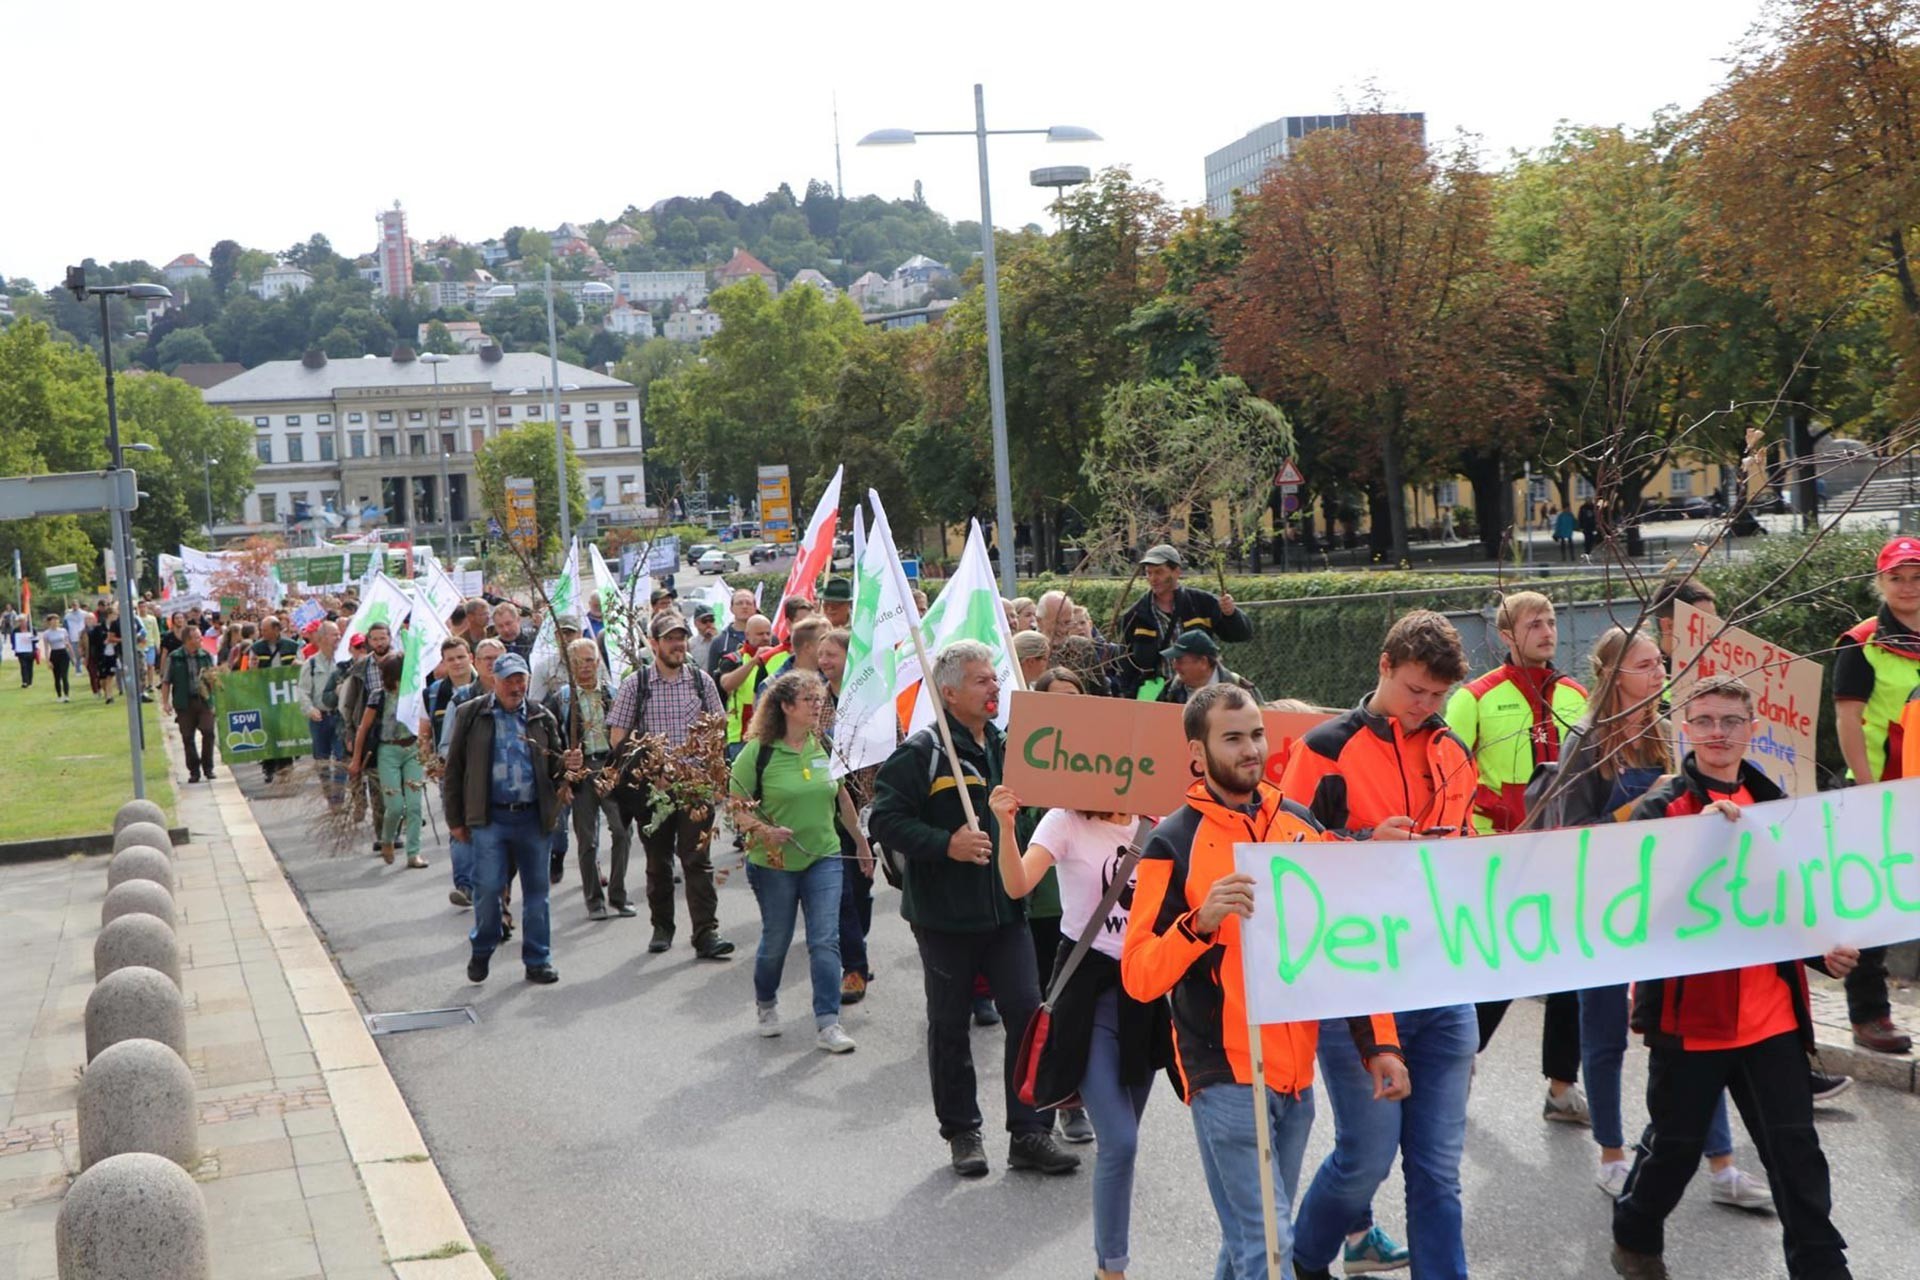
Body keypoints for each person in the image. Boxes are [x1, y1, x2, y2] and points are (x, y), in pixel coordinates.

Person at [1122, 684, 1408, 1280]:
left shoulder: (1302, 828)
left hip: (1293, 1078)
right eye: (1233, 737)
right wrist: (1198, 924)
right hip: (1222, 1073)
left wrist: (1378, 1043)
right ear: (1197, 754)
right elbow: (1139, 976)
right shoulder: (1170, 843)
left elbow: (1343, 948)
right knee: (1271, 1246)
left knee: (1248, 1241)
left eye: (1256, 734)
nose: (1251, 748)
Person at [1610, 674, 1862, 1280]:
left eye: (1730, 721)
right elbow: (1637, 913)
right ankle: (1635, 1230)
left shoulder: (1776, 804)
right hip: (1691, 1021)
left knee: (1795, 1153)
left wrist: (1822, 950)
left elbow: (1784, 906)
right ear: (1685, 730)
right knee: (1674, 1149)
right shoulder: (1661, 811)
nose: (1718, 734)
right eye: (1705, 722)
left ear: (1753, 730)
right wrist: (1704, 845)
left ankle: (1823, 1268)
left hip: (1771, 1017)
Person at [1282, 609, 1478, 1280]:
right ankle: (1305, 1260)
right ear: (1384, 667)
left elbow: (1465, 854)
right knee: (1366, 1156)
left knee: (1436, 1169)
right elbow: (1284, 862)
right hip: (1355, 987)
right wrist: (1365, 844)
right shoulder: (1323, 749)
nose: (1425, 707)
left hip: (1442, 979)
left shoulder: (1455, 753)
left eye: (1438, 696)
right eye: (1415, 691)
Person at [868, 640, 1081, 1179]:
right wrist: (947, 844)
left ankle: (1029, 1132)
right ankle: (962, 1132)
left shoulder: (1011, 748)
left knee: (1028, 1016)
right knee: (948, 1026)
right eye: (983, 681)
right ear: (950, 692)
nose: (995, 689)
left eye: (995, 679)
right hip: (944, 919)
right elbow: (884, 822)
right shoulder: (921, 754)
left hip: (1007, 913)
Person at [991, 776, 1171, 1279]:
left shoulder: (1158, 823)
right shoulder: (1064, 821)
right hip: (1086, 995)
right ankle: (1111, 1268)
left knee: (1125, 1138)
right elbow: (1017, 884)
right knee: (1121, 1142)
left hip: (1145, 994)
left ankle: (1107, 1261)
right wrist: (1005, 827)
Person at [1443, 591, 1590, 1121]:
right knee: (1502, 967)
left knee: (1570, 973)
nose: (1547, 631)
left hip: (1562, 854)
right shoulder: (1474, 698)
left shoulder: (1576, 695)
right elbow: (1448, 776)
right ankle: (1459, 1061)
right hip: (1497, 854)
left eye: (1551, 621)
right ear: (1507, 636)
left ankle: (1561, 1088)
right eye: (1534, 624)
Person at [730, 669, 870, 1053]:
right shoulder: (757, 754)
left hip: (824, 855)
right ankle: (766, 1003)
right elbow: (735, 810)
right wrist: (763, 831)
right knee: (776, 940)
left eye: (819, 700)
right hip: (774, 862)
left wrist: (860, 842)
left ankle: (828, 1023)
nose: (817, 706)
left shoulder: (822, 744)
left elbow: (842, 798)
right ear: (786, 706)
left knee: (825, 939)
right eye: (809, 700)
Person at [1830, 534, 1920, 1055]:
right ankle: (1870, 1016)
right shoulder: (1861, 642)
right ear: (1880, 582)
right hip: (1879, 790)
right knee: (1873, 907)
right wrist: (1867, 791)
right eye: (1896, 577)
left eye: (1915, 576)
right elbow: (1846, 721)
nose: (1907, 587)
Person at [444, 652, 579, 985]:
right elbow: (454, 770)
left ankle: (538, 959)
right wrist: (455, 819)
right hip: (490, 819)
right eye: (509, 680)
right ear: (494, 680)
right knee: (488, 889)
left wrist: (570, 763)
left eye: (521, 679)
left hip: (533, 818)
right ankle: (483, 945)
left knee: (537, 894)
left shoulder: (541, 717)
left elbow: (555, 766)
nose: (516, 687)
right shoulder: (471, 714)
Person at [609, 611, 735, 959]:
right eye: (669, 638)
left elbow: (719, 729)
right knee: (658, 863)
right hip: (654, 791)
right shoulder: (637, 684)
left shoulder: (701, 681)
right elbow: (618, 736)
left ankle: (706, 933)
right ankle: (662, 926)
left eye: (681, 637)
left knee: (697, 861)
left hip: (695, 787)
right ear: (654, 645)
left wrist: (713, 773)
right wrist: (650, 769)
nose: (678, 644)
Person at [548, 637, 633, 921]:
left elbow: (627, 732)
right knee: (587, 838)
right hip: (581, 772)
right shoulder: (561, 698)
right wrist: (563, 774)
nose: (584, 667)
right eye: (577, 662)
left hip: (609, 767)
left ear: (598, 662)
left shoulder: (613, 693)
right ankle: (594, 900)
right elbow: (553, 739)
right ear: (569, 667)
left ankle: (618, 895)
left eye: (589, 660)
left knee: (622, 830)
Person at [816, 628, 878, 1004]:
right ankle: (853, 966)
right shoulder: (816, 702)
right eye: (821, 655)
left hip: (869, 802)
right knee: (844, 893)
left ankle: (858, 947)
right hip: (829, 805)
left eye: (832, 655)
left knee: (862, 888)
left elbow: (898, 744)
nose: (824, 662)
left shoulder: (873, 701)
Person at [1117, 544, 1252, 698]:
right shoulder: (1135, 615)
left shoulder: (1203, 603)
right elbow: (1125, 665)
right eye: (1149, 573)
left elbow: (1241, 635)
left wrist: (1231, 614)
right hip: (1157, 692)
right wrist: (1128, 697)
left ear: (1176, 572)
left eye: (1159, 572)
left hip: (1201, 689)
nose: (1153, 579)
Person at [349, 651, 427, 869]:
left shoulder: (416, 693)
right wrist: (356, 760)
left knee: (413, 805)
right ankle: (387, 839)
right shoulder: (379, 695)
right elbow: (363, 729)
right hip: (388, 752)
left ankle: (414, 853)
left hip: (412, 750)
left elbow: (424, 723)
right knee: (394, 806)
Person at [717, 613, 786, 763]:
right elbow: (726, 684)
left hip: (773, 731)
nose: (765, 638)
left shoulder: (780, 657)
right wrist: (754, 661)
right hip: (741, 735)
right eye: (760, 634)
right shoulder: (734, 659)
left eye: (768, 633)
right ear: (747, 634)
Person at [296, 621, 348, 808]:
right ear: (322, 638)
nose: (338, 638)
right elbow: (302, 691)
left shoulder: (343, 662)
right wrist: (310, 709)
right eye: (334, 635)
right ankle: (329, 794)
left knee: (342, 758)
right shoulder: (310, 664)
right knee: (322, 760)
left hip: (340, 717)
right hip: (320, 719)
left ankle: (338, 798)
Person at [250, 616, 302, 781]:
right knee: (269, 729)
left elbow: (304, 664)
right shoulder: (256, 648)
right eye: (261, 630)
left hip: (286, 695)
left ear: (276, 629)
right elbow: (246, 670)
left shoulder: (292, 646)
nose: (262, 633)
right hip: (265, 695)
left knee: (285, 730)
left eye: (265, 630)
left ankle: (286, 765)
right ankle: (268, 765)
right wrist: (252, 669)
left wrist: (298, 664)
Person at [165, 624, 218, 783]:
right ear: (188, 640)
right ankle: (194, 771)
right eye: (197, 637)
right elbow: (166, 681)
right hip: (184, 703)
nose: (200, 639)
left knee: (208, 732)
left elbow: (213, 678)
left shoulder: (205, 656)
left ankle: (208, 768)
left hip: (204, 701)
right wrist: (165, 703)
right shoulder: (175, 657)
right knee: (187, 737)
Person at [1154, 629, 1259, 706]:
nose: (1174, 666)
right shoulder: (1169, 692)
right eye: (1173, 660)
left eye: (1180, 660)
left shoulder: (1242, 690)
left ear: (1203, 662)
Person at [709, 588, 755, 672]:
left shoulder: (768, 637)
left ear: (755, 608)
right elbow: (712, 676)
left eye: (748, 603)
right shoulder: (719, 642)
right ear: (731, 609)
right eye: (739, 603)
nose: (744, 606)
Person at [88, 608, 122, 705]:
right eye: (114, 615)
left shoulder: (116, 627)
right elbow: (93, 643)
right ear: (109, 615)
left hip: (113, 654)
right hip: (102, 655)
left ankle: (109, 696)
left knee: (110, 676)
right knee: (102, 678)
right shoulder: (99, 628)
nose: (115, 617)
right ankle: (106, 692)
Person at [41, 612, 73, 702]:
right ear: (49, 622)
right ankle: (59, 696)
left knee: (64, 675)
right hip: (54, 654)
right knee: (57, 676)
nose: (55, 622)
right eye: (53, 620)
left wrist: (72, 655)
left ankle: (66, 695)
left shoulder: (63, 631)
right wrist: (48, 661)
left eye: (57, 620)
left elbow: (68, 643)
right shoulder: (46, 633)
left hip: (63, 653)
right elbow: (46, 648)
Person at [12, 616, 36, 686]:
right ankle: (25, 682)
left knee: (30, 666)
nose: (22, 622)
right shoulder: (16, 630)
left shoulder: (31, 629)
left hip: (30, 651)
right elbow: (13, 640)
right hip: (21, 652)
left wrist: (33, 639)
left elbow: (36, 639)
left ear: (26, 621)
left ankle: (30, 682)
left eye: (23, 621)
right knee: (23, 666)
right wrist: (15, 647)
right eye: (20, 621)